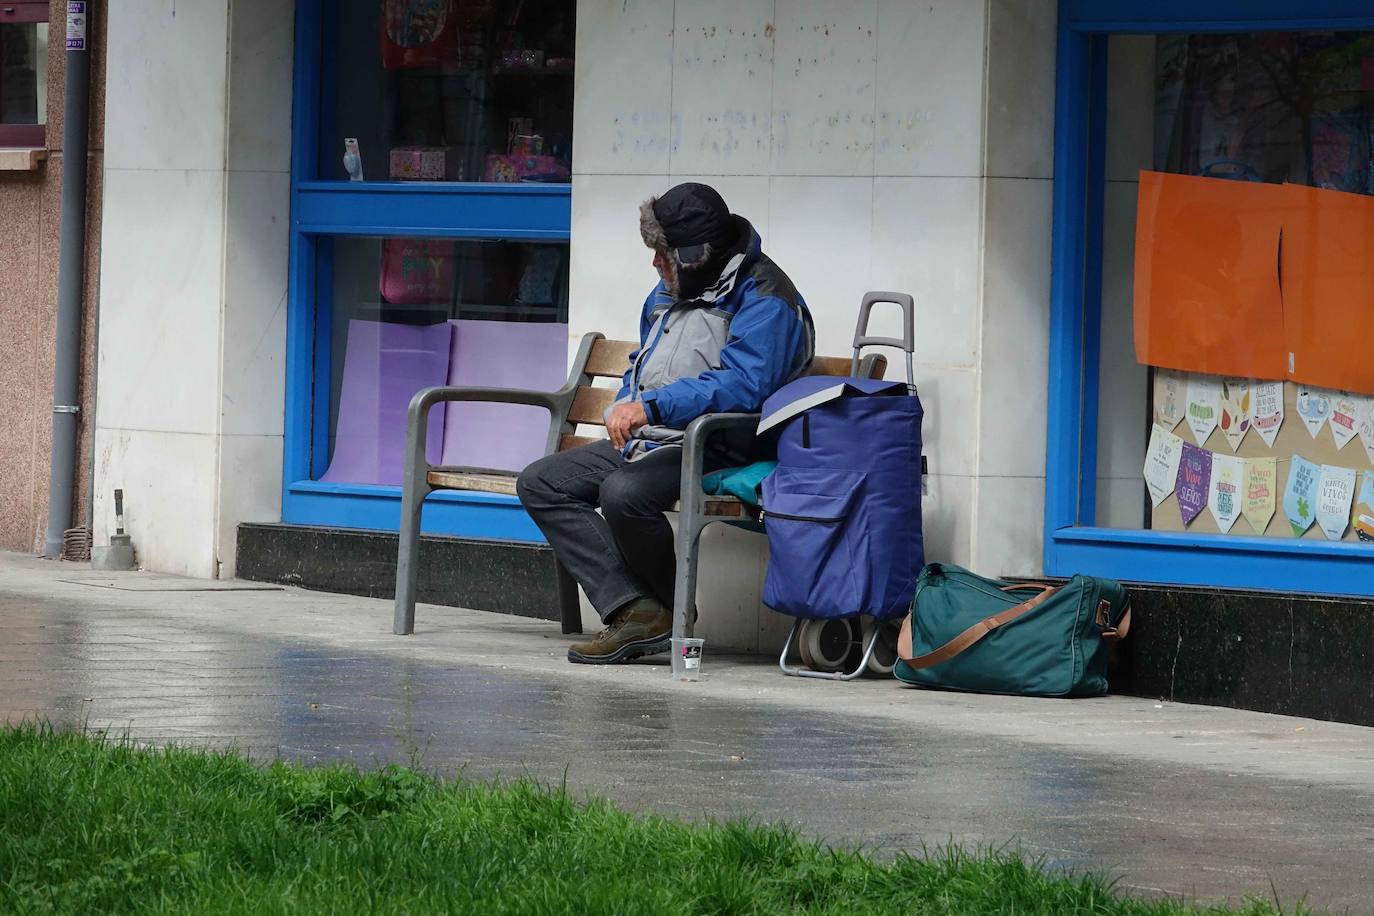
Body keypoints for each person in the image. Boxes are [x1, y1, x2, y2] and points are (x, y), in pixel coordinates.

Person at [516, 182, 814, 664]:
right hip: (657, 436)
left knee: (624, 493)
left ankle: (671, 615)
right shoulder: (674, 285)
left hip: (720, 441)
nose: (655, 263)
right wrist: (628, 403)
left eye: (663, 253)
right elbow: (647, 358)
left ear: (696, 254)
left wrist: (652, 407)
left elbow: (745, 385)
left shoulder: (766, 296)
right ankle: (636, 608)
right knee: (541, 482)